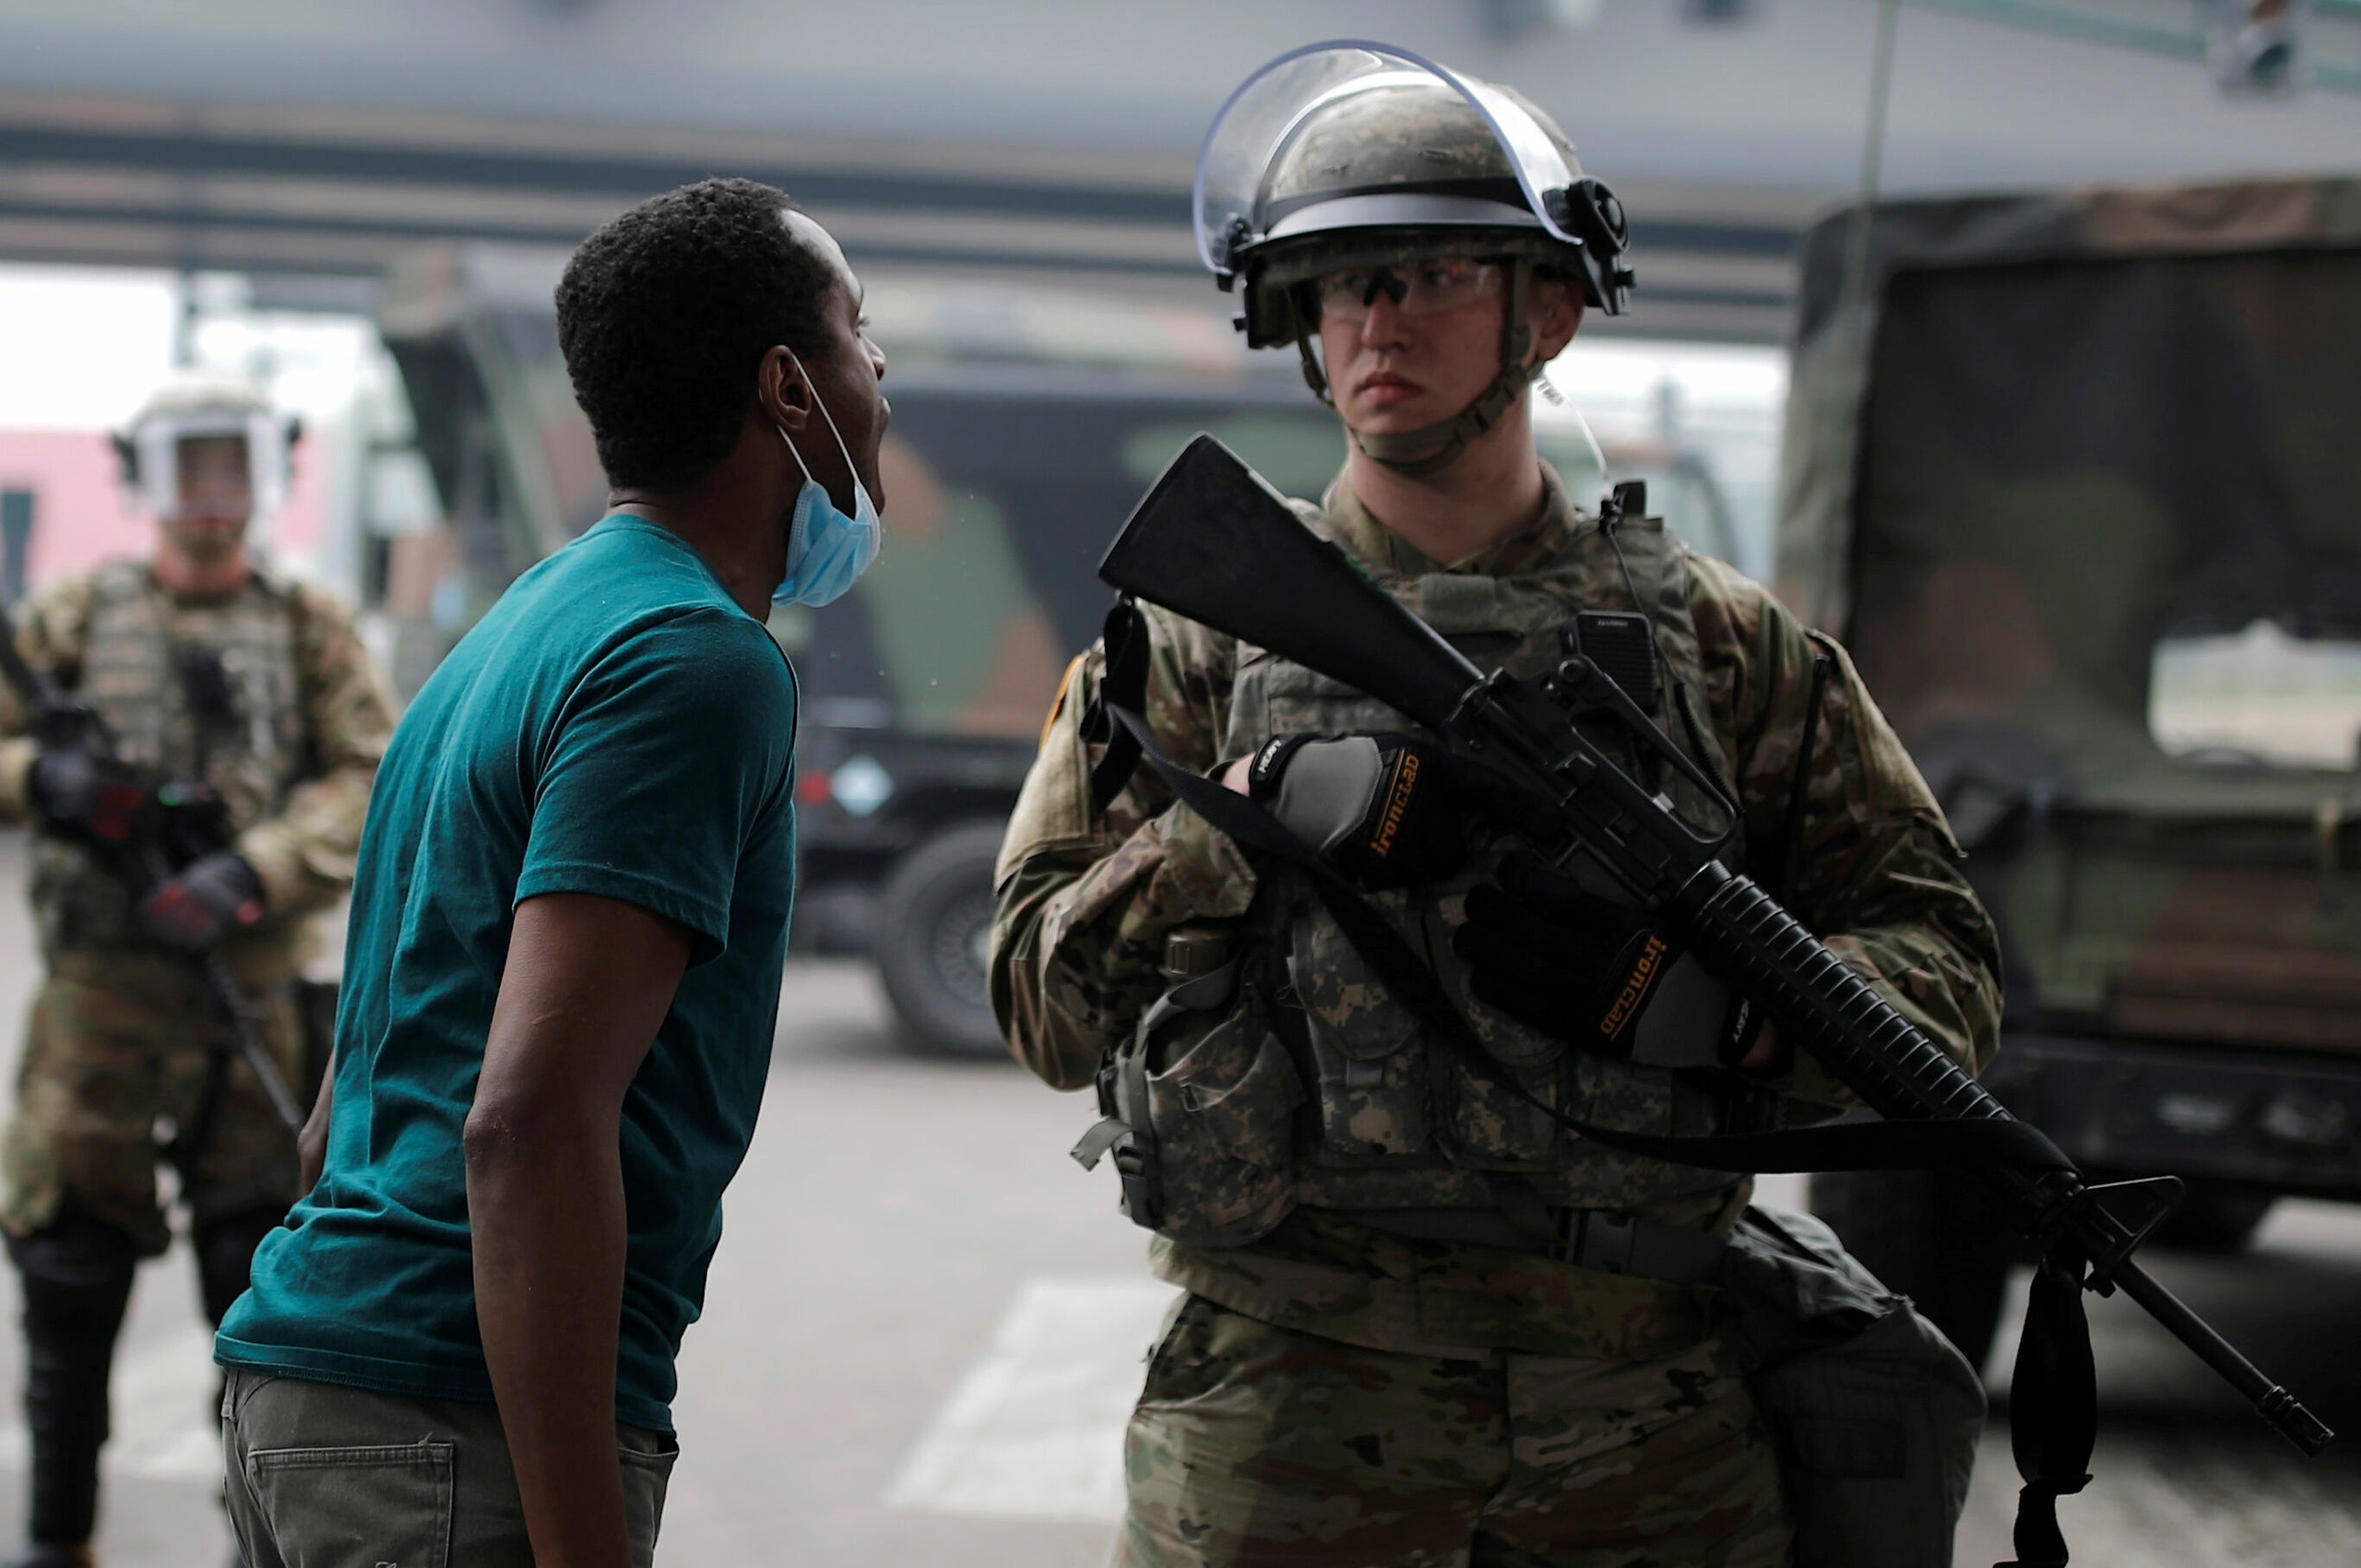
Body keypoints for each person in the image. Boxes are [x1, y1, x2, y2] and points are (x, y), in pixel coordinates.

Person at [990, 46, 2002, 1566]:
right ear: (1298, 326)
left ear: (1552, 311)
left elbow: (1952, 982)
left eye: (1435, 273)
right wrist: (1245, 818)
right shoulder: (1189, 640)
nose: (1379, 320)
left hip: (1643, 1405)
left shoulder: (1724, 648)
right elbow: (1033, 1000)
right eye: (1341, 284)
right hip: (1290, 1397)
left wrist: (1721, 1014)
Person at [213, 176, 884, 1568]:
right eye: (856, 330)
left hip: (319, 1389)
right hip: (445, 1428)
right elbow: (524, 1120)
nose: (879, 372)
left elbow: (350, 1098)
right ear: (787, 388)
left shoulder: (527, 621)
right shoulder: (695, 663)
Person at [0, 370, 392, 1568]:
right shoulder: (72, 619)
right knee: (67, 1278)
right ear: (142, 477)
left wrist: (254, 869)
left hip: (250, 1005)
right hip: (101, 1002)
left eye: (233, 468)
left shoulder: (306, 625)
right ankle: (58, 1538)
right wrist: (42, 784)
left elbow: (375, 773)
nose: (211, 498)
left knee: (257, 1283)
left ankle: (257, 1547)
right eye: (188, 468)